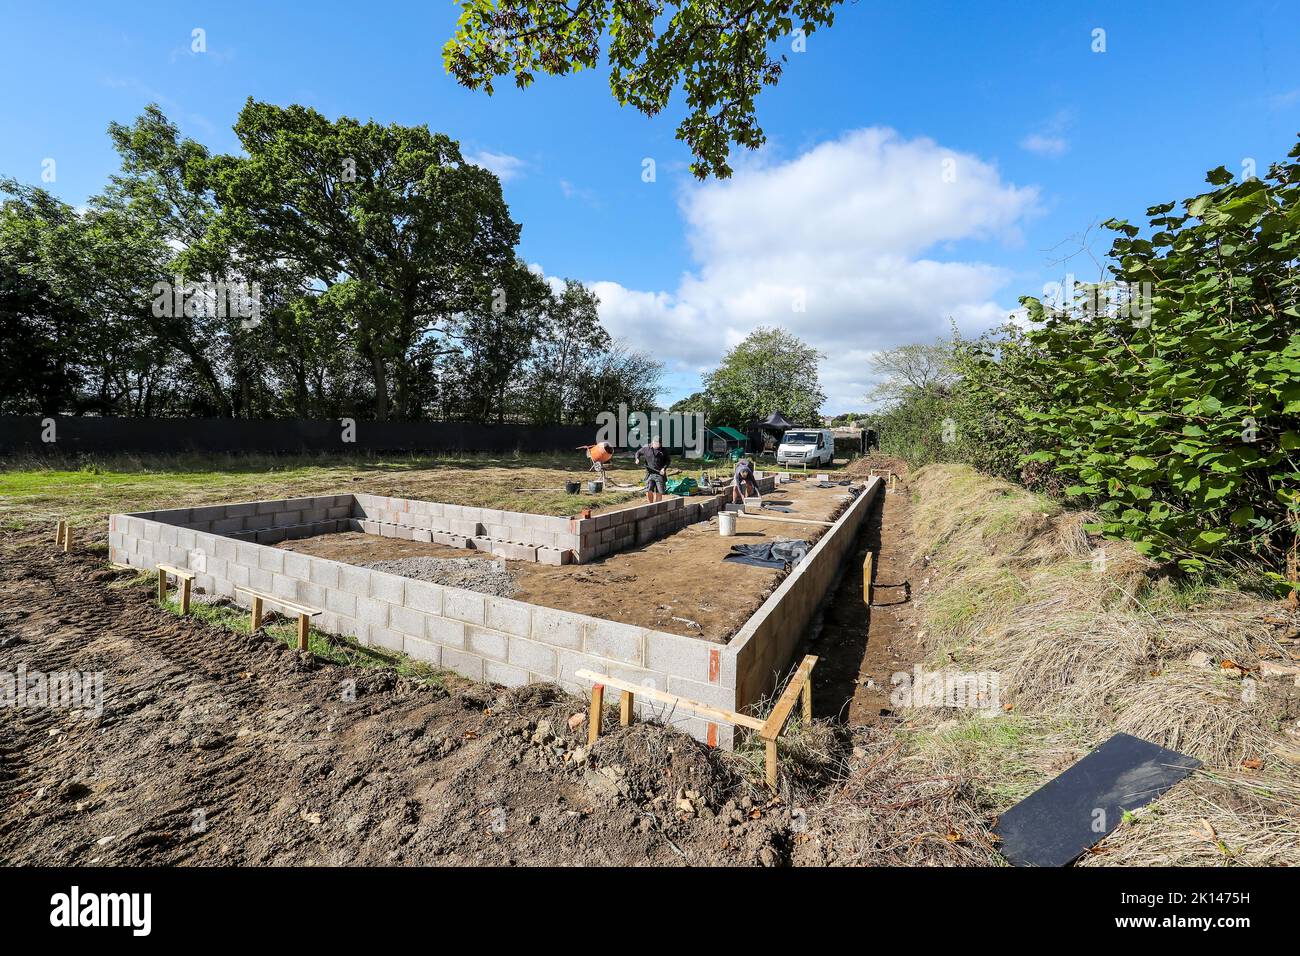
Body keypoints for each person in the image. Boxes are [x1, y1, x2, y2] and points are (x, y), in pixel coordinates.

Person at [635, 437, 670, 503]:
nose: (657, 445)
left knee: (659, 491)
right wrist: (637, 459)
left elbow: (668, 461)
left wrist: (664, 468)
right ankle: (650, 505)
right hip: (650, 473)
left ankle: (657, 505)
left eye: (659, 444)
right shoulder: (646, 448)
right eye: (656, 444)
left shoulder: (664, 450)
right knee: (648, 489)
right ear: (652, 442)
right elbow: (638, 452)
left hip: (660, 473)